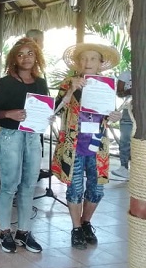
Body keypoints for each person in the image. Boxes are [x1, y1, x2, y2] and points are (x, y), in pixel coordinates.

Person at [51, 43, 122, 249]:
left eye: (92, 59)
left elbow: (109, 114)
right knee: (75, 189)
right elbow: (54, 110)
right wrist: (71, 90)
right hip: (73, 145)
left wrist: (114, 116)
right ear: (78, 63)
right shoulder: (68, 83)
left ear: (100, 64)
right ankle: (75, 228)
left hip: (97, 145)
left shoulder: (107, 85)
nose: (87, 62)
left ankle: (86, 223)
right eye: (83, 59)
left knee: (96, 189)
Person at [0, 38, 47, 253]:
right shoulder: (4, 83)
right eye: (21, 54)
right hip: (11, 136)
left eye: (30, 53)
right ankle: (5, 231)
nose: (26, 58)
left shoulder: (41, 82)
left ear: (36, 56)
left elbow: (44, 108)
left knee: (29, 185)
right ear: (14, 59)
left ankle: (23, 231)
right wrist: (9, 114)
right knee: (9, 186)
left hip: (33, 137)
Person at [112, 69, 132, 180]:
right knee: (125, 140)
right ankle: (123, 168)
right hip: (128, 110)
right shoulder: (126, 74)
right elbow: (119, 93)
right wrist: (130, 91)